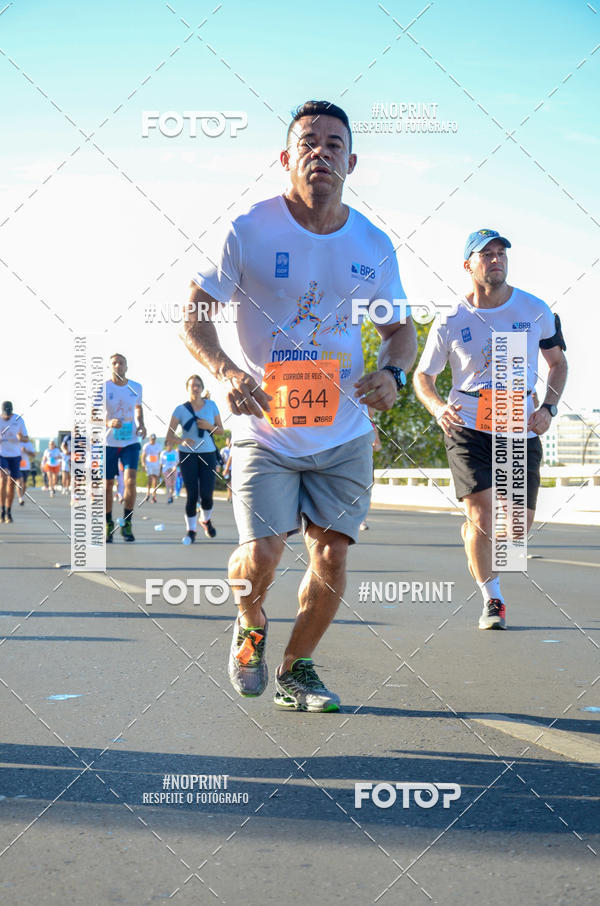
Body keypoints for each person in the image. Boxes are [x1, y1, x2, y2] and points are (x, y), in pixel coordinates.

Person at [182, 100, 417, 711]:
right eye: (308, 142)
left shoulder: (373, 243)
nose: (321, 152)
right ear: (286, 159)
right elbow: (194, 315)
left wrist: (393, 373)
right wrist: (225, 369)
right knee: (261, 555)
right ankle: (250, 618)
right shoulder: (249, 229)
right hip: (266, 429)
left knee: (332, 554)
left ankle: (297, 668)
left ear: (352, 161)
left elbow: (400, 331)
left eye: (334, 144)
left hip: (343, 431)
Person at [413, 229, 568, 630]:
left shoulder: (534, 309)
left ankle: (477, 535)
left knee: (516, 528)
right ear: (468, 265)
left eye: (501, 253)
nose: (496, 259)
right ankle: (492, 598)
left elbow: (558, 364)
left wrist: (549, 407)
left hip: (518, 423)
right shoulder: (450, 318)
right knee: (483, 516)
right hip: (467, 422)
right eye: (486, 254)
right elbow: (423, 376)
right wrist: (436, 407)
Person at [165, 375, 224, 541]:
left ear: (202, 388)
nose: (195, 388)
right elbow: (169, 436)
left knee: (207, 494)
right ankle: (191, 531)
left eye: (198, 385)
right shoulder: (180, 409)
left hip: (208, 452)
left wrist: (209, 426)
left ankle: (205, 520)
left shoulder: (211, 406)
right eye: (192, 385)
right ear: (187, 388)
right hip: (187, 454)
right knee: (192, 494)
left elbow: (220, 430)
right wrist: (181, 440)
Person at [103, 353, 146, 542]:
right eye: (114, 363)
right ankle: (108, 523)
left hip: (130, 440)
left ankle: (127, 523)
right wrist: (109, 422)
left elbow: (138, 408)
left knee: (130, 481)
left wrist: (141, 423)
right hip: (109, 442)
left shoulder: (136, 387)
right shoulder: (103, 388)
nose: (118, 366)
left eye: (121, 363)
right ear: (110, 367)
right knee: (108, 485)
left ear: (126, 367)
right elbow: (92, 416)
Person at [0, 401, 28, 523]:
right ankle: (1, 510)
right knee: (4, 477)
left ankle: (8, 511)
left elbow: (26, 438)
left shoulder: (18, 419)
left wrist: (20, 438)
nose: (7, 417)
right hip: (1, 454)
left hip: (15, 455)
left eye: (9, 414)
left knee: (11, 484)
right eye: (5, 415)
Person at [142, 433, 161, 503]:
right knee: (150, 479)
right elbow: (143, 455)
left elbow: (159, 455)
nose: (153, 440)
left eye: (154, 439)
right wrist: (143, 464)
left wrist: (160, 465)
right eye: (151, 439)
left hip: (156, 464)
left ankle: (154, 495)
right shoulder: (146, 446)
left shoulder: (158, 446)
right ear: (150, 439)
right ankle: (148, 493)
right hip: (149, 464)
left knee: (155, 480)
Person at [17, 440, 35, 505]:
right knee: (19, 482)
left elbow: (33, 454)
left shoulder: (28, 444)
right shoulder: (15, 442)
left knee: (24, 484)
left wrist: (25, 451)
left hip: (26, 467)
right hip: (17, 466)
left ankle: (22, 496)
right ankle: (20, 498)